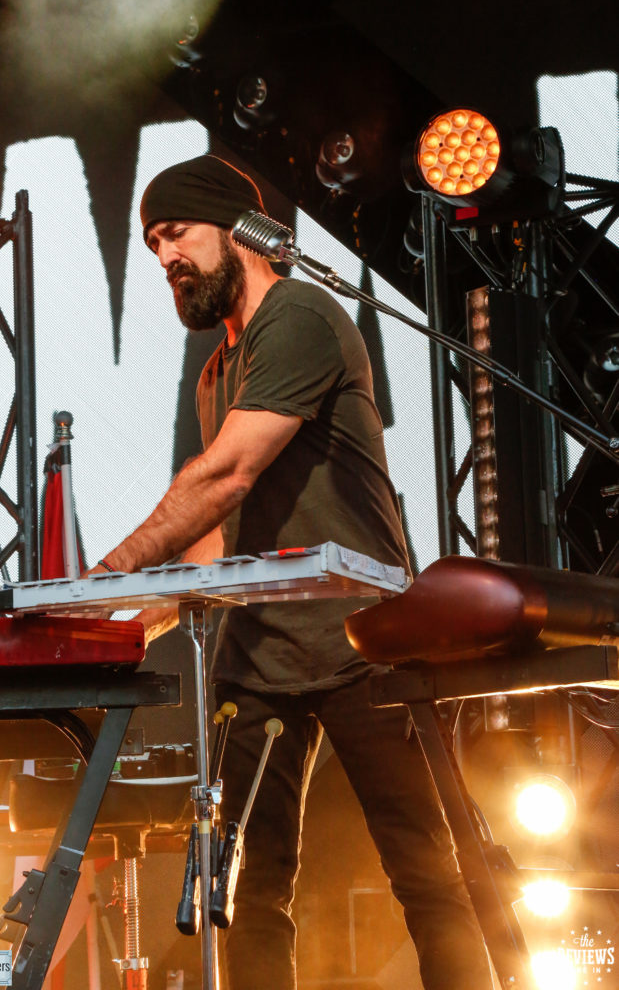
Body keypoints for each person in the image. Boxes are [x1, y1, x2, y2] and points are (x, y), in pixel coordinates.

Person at [90, 154, 493, 990]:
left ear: (239, 230)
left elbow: (225, 474)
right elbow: (217, 541)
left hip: (364, 647)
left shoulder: (301, 316)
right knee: (246, 889)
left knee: (426, 876)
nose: (164, 256)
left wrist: (108, 573)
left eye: (176, 232)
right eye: (151, 243)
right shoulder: (217, 372)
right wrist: (118, 622)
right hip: (258, 661)